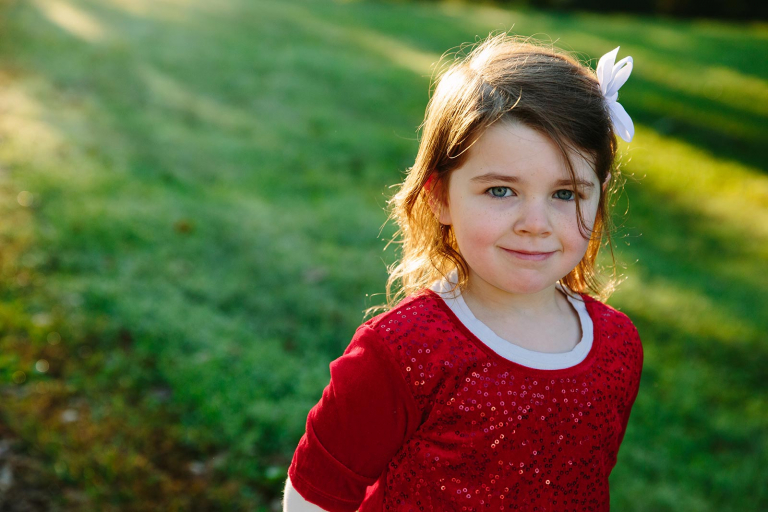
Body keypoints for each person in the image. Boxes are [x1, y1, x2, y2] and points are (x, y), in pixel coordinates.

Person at [283, 32, 643, 511]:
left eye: (566, 194)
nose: (535, 225)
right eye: (500, 190)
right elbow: (316, 495)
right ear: (439, 197)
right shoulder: (403, 352)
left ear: (598, 198)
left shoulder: (617, 345)